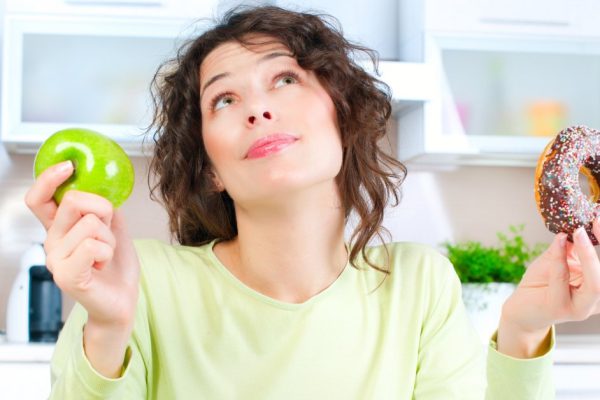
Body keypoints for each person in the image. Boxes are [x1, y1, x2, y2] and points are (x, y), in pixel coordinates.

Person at [24, 5, 600, 400]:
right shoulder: (138, 280)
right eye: (223, 98)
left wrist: (524, 330)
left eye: (285, 80)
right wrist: (107, 323)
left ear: (342, 116)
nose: (257, 108)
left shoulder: (420, 286)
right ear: (209, 168)